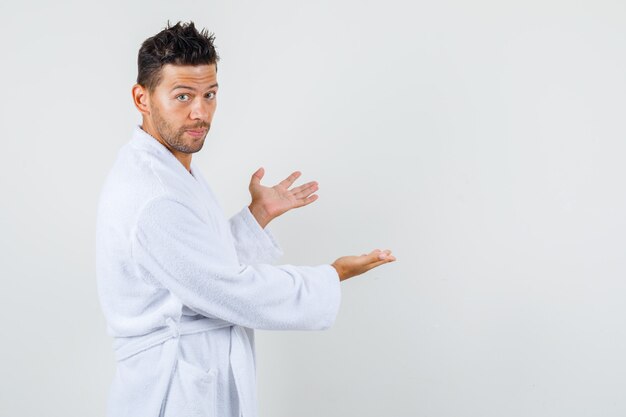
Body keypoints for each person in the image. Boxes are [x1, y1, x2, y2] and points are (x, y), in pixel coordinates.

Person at [95, 20, 396, 417]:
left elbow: (196, 264)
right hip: (173, 391)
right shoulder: (151, 195)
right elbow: (227, 288)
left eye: (210, 94)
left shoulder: (169, 167)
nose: (200, 112)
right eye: (182, 96)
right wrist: (332, 274)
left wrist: (258, 215)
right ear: (142, 98)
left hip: (195, 371)